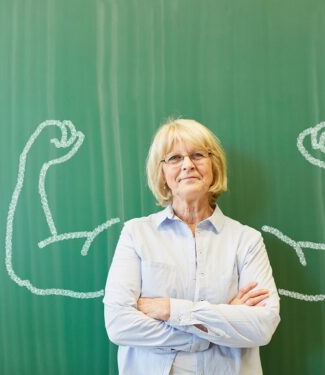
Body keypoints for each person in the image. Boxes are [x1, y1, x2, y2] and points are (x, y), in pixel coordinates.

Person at [103, 118, 281, 374]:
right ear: (162, 173)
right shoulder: (136, 234)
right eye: (174, 158)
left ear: (214, 167)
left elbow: (262, 326)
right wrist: (217, 325)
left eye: (198, 155)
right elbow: (119, 324)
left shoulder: (246, 240)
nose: (188, 165)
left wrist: (170, 309)